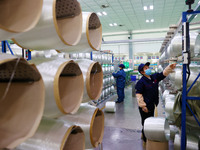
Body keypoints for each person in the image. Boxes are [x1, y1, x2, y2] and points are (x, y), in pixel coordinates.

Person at [135, 62, 176, 143]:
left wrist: (170, 67)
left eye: (148, 67)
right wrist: (143, 106)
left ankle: (147, 135)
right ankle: (145, 140)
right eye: (146, 68)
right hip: (145, 106)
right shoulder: (141, 82)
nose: (148, 69)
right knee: (146, 123)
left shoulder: (154, 77)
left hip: (152, 104)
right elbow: (139, 95)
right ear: (142, 72)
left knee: (150, 120)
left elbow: (163, 74)